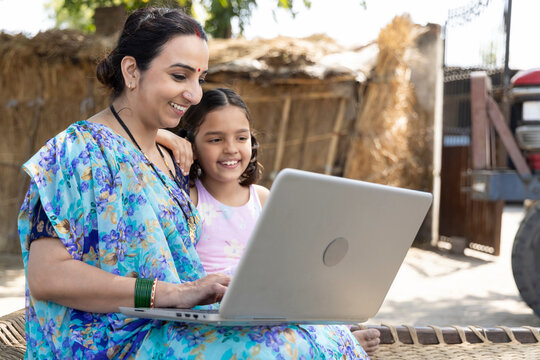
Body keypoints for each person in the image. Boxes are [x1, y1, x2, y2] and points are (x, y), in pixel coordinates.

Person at [17, 7, 371, 359]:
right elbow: (47, 276)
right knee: (290, 349)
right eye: (179, 76)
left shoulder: (172, 157)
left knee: (323, 333)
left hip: (176, 325)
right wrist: (168, 293)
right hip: (109, 341)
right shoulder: (76, 153)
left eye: (199, 78)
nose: (194, 94)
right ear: (131, 71)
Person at [171, 87, 381, 356]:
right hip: (215, 309)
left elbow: (281, 263)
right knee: (286, 341)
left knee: (322, 319)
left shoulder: (261, 197)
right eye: (215, 140)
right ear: (192, 145)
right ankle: (340, 344)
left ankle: (339, 336)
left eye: (241, 137)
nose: (231, 149)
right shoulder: (189, 199)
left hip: (265, 305)